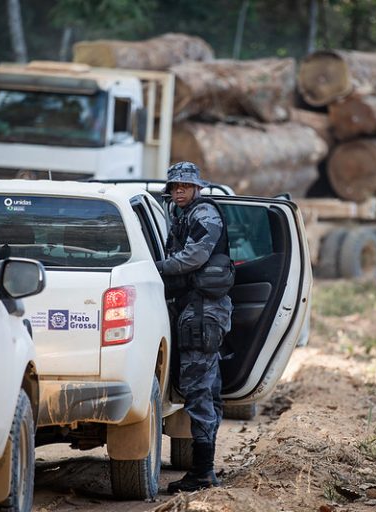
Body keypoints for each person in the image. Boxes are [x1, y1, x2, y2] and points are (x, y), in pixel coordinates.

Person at [154, 161, 233, 492]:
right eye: (174, 187)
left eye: (184, 186)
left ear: (197, 188)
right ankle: (205, 468)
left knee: (199, 391)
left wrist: (154, 268)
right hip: (196, 309)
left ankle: (202, 472)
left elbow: (193, 258)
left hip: (203, 312)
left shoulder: (204, 215)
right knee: (206, 390)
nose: (178, 191)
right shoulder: (181, 215)